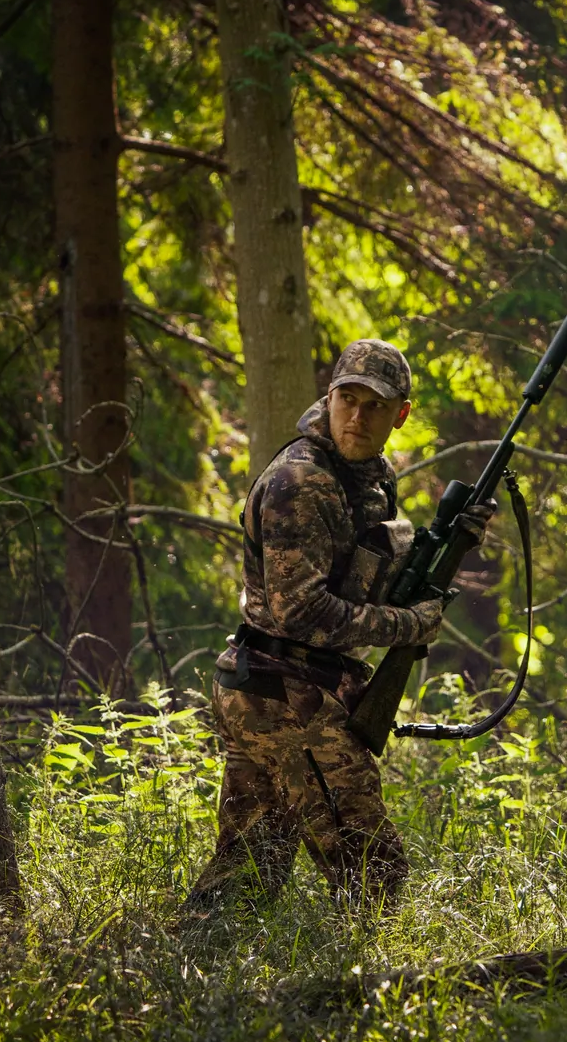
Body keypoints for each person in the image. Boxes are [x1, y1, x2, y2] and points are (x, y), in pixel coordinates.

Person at [184, 338, 492, 912]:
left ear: (400, 414)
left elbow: (363, 573)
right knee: (374, 872)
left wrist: (451, 543)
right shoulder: (302, 483)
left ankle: (191, 979)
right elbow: (299, 612)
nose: (357, 415)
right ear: (327, 399)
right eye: (346, 399)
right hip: (286, 693)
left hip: (276, 688)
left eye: (374, 405)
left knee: (247, 876)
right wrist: (407, 626)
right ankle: (372, 992)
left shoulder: (364, 477)